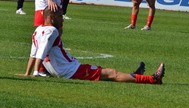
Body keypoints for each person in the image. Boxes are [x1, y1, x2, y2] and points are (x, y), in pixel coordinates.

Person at [19, 7, 165, 85]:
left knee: (105, 72)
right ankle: (152, 79)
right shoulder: (52, 30)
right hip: (71, 71)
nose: (61, 18)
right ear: (51, 18)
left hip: (69, 68)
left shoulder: (38, 30)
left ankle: (136, 75)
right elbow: (41, 52)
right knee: (111, 73)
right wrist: (36, 72)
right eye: (59, 16)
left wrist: (28, 72)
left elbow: (33, 53)